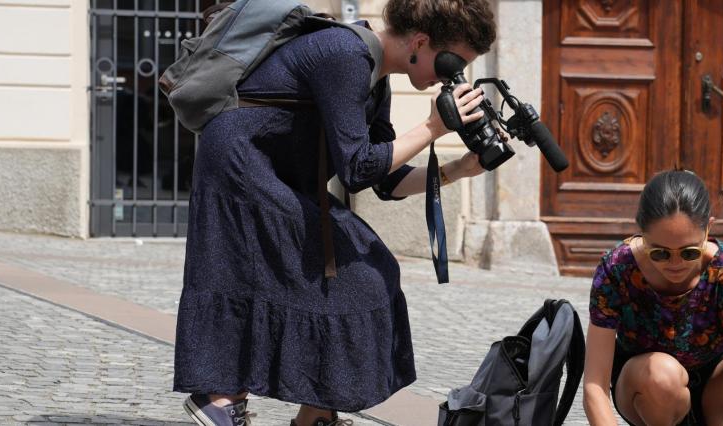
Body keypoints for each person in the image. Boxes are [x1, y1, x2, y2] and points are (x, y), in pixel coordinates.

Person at [172, 1, 497, 425]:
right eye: (453, 62)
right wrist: (433, 128)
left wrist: (459, 169)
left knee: (365, 272)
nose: (453, 76)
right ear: (420, 42)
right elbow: (357, 167)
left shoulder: (375, 76)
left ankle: (315, 414)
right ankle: (219, 398)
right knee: (345, 276)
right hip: (240, 167)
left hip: (275, 172)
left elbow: (383, 180)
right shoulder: (345, 54)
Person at [583, 170, 723, 426]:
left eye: (689, 252)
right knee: (662, 373)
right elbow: (594, 386)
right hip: (648, 388)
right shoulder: (617, 269)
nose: (675, 264)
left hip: (717, 391)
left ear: (708, 228)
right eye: (660, 253)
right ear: (641, 233)